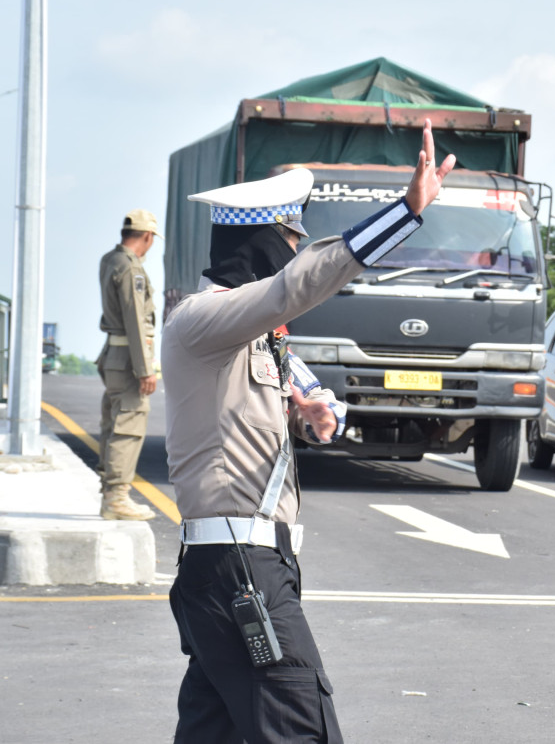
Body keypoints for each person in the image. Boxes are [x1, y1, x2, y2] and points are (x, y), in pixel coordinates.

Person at [162, 120, 454, 743]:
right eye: (292, 237)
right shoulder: (205, 317)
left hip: (246, 563)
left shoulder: (252, 337)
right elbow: (293, 288)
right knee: (302, 728)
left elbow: (296, 397)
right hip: (238, 566)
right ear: (265, 242)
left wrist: (311, 415)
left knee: (214, 733)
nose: (297, 251)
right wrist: (404, 213)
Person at [95, 209, 160, 521]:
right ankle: (117, 497)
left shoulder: (110, 259)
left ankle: (110, 491)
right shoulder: (131, 268)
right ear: (147, 237)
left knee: (113, 423)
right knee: (128, 426)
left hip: (113, 355)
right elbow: (135, 319)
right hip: (128, 359)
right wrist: (145, 368)